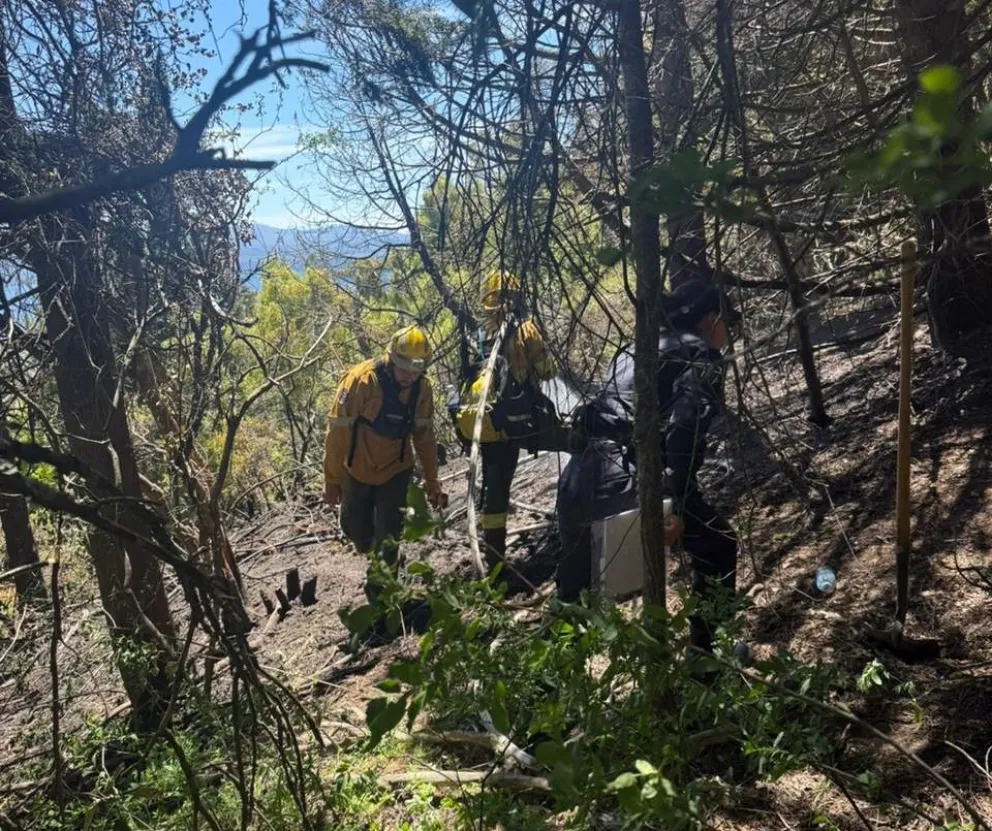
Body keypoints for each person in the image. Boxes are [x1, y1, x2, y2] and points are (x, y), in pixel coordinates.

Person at [556, 278, 741, 654]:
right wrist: (677, 504)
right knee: (718, 546)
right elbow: (685, 428)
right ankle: (706, 665)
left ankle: (548, 680)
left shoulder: (634, 347)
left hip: (576, 481)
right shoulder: (701, 355)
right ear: (710, 319)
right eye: (728, 324)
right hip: (624, 482)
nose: (728, 335)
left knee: (573, 591)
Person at [324, 325, 448, 601]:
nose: (409, 377)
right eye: (404, 369)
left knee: (388, 538)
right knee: (356, 531)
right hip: (356, 470)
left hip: (396, 471)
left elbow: (425, 437)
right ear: (391, 358)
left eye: (415, 371)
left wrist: (431, 480)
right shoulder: (360, 381)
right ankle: (374, 551)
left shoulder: (421, 389)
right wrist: (332, 480)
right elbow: (337, 434)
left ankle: (381, 600)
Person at [453, 270, 568, 568]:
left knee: (495, 493)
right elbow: (547, 371)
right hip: (521, 422)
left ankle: (494, 562)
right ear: (514, 297)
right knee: (578, 441)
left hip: (488, 424)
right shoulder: (524, 328)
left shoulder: (476, 334)